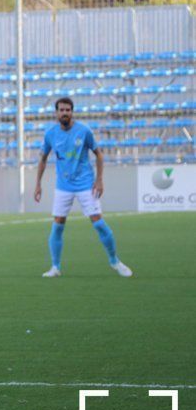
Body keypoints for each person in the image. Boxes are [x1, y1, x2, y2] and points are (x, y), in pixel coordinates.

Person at [35, 98, 132, 278]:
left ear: (72, 112)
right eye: (62, 110)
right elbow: (42, 159)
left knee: (99, 223)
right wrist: (38, 184)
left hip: (86, 184)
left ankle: (114, 261)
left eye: (68, 110)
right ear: (56, 113)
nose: (65, 113)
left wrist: (99, 180)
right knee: (57, 226)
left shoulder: (84, 131)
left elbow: (99, 155)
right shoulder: (50, 134)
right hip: (63, 186)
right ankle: (55, 267)